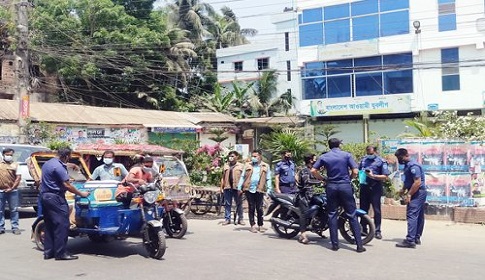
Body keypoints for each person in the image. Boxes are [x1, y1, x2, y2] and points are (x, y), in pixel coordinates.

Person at [311, 138, 366, 253]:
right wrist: (349, 179)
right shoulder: (346, 155)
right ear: (339, 145)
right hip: (345, 186)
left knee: (332, 214)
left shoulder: (324, 157)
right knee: (351, 214)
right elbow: (355, 171)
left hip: (331, 186)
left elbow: (313, 170)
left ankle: (335, 245)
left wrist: (323, 179)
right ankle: (359, 246)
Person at [40, 148, 89, 260]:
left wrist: (70, 165)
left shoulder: (48, 163)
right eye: (69, 157)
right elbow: (67, 185)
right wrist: (81, 193)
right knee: (62, 225)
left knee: (50, 224)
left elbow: (58, 170)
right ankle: (61, 253)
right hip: (56, 198)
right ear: (66, 156)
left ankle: (49, 252)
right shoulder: (58, 167)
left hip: (45, 196)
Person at [394, 148, 427, 249]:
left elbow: (417, 182)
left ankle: (410, 240)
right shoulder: (408, 165)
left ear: (404, 155)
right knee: (419, 215)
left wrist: (409, 195)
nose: (398, 160)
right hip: (417, 191)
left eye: (399, 157)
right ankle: (416, 237)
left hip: (417, 192)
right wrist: (403, 189)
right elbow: (408, 180)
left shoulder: (414, 166)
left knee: (412, 214)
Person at [358, 145, 390, 240]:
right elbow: (359, 170)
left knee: (376, 210)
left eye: (370, 153)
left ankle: (377, 231)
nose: (369, 155)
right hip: (364, 186)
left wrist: (373, 176)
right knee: (363, 209)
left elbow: (385, 176)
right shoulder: (364, 160)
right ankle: (363, 229)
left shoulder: (381, 161)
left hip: (375, 187)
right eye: (367, 153)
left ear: (375, 152)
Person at [237, 150, 272, 233]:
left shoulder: (265, 166)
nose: (253, 158)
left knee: (259, 208)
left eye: (255, 156)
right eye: (252, 156)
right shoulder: (247, 165)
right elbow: (242, 176)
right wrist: (239, 187)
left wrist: (269, 189)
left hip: (259, 189)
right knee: (251, 207)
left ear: (260, 156)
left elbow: (268, 178)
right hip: (249, 189)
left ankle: (261, 225)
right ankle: (252, 225)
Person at [295, 153, 318, 244]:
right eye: (315, 159)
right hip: (304, 196)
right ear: (310, 160)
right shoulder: (304, 170)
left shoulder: (314, 170)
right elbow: (307, 181)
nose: (317, 161)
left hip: (314, 195)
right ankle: (303, 234)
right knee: (304, 214)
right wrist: (321, 181)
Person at [220, 151, 245, 226]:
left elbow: (244, 177)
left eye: (233, 156)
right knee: (227, 204)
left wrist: (242, 188)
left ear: (237, 157)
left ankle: (240, 219)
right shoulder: (226, 165)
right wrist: (221, 187)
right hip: (227, 187)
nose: (231, 157)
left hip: (237, 188)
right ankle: (227, 219)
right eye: (230, 156)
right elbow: (223, 177)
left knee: (239, 203)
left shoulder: (241, 166)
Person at [0, 148, 21, 235]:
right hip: (1, 191)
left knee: (14, 210)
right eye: (8, 155)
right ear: (4, 155)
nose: (9, 156)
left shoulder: (15, 165)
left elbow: (18, 178)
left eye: (11, 155)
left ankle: (15, 227)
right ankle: (1, 227)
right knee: (0, 210)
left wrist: (12, 188)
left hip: (13, 191)